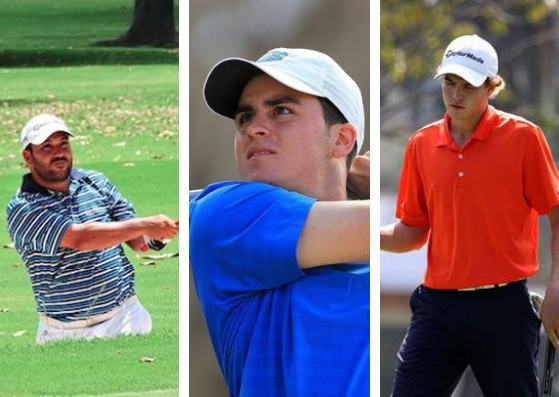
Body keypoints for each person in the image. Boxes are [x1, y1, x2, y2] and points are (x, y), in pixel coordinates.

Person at [380, 34, 559, 396]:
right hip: (438, 305)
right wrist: (363, 231)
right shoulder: (421, 145)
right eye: (449, 82)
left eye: (468, 85)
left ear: (492, 87)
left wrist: (557, 288)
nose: (456, 94)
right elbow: (413, 231)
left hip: (503, 308)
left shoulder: (524, 138)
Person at [189, 48, 370, 397]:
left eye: (282, 111)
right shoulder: (225, 215)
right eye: (245, 117)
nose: (254, 128)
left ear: (342, 139)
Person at [6, 113, 179, 344]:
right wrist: (146, 224)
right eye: (47, 146)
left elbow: (138, 242)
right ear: (28, 156)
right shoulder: (23, 207)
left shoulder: (95, 182)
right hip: (64, 331)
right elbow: (81, 238)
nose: (59, 152)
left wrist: (161, 235)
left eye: (63, 143)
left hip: (125, 317)